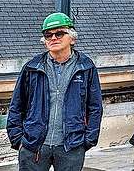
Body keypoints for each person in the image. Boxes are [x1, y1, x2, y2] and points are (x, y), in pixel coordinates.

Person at [7, 13, 103, 171]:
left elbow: (95, 107)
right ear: (44, 41)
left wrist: (88, 140)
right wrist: (18, 139)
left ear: (72, 38)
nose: (53, 38)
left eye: (59, 33)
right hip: (34, 146)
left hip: (71, 146)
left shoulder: (86, 67)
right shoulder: (32, 67)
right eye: (48, 35)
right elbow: (17, 105)